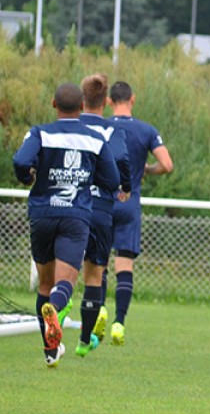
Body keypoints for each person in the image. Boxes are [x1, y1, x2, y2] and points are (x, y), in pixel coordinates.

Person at [12, 82, 120, 367]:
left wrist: (28, 177)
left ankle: (50, 351)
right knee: (64, 283)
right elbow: (111, 180)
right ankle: (55, 309)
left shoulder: (41, 133)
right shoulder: (95, 139)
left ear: (53, 104)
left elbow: (21, 160)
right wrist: (84, 178)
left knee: (44, 284)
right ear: (82, 107)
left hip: (42, 214)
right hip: (75, 216)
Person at [108, 81, 174, 346]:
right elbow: (167, 165)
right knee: (124, 264)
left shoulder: (101, 127)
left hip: (103, 202)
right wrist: (148, 170)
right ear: (132, 99)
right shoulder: (146, 130)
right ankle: (119, 323)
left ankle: (97, 311)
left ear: (110, 102)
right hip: (129, 202)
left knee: (97, 264)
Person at [75, 73, 132, 357]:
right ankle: (84, 342)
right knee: (94, 276)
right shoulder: (111, 131)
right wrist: (126, 187)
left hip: (70, 207)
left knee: (60, 276)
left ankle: (55, 321)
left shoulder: (71, 126)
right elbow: (122, 160)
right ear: (105, 101)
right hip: (99, 209)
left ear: (82, 99)